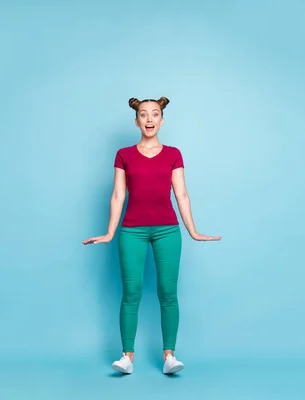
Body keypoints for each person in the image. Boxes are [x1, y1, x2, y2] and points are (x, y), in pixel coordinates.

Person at [82, 96, 221, 375]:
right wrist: (110, 232)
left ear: (162, 120)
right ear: (136, 121)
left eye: (154, 114)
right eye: (143, 115)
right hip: (131, 231)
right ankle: (127, 357)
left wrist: (192, 230)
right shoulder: (124, 154)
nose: (149, 119)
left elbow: (181, 194)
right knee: (131, 293)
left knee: (168, 293)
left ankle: (170, 356)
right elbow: (118, 194)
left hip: (167, 230)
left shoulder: (173, 154)